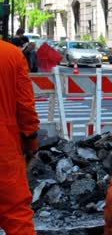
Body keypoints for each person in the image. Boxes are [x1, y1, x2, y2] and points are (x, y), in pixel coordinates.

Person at [0, 39, 40, 234]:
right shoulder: (11, 55)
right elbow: (25, 106)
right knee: (16, 215)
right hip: (4, 147)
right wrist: (31, 142)